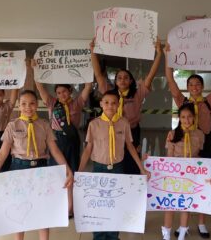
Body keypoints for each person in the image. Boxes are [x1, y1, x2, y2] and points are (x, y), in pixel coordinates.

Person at [164, 41, 211, 238]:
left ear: (203, 86)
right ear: (187, 87)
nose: (194, 87)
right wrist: (167, 57)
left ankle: (201, 222)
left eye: (198, 84)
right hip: (183, 145)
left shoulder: (209, 101)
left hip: (203, 144)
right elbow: (170, 81)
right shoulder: (183, 102)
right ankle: (182, 225)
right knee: (183, 183)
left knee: (203, 183)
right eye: (191, 84)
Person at [0, 89, 74, 240]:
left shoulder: (44, 125)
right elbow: (2, 153)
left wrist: (68, 170)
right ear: (19, 105)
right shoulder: (13, 125)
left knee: (42, 209)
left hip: (41, 170)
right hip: (19, 170)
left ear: (37, 105)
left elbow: (55, 150)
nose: (28, 107)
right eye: (24, 104)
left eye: (32, 103)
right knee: (19, 208)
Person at [78, 89, 151, 240]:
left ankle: (113, 236)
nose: (110, 106)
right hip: (99, 169)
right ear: (101, 104)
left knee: (115, 205)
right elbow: (88, 149)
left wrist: (141, 168)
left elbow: (130, 147)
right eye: (106, 102)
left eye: (113, 103)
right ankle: (98, 236)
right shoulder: (94, 124)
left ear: (119, 105)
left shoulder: (123, 123)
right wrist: (80, 171)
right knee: (98, 206)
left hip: (117, 169)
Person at [90, 37, 162, 174]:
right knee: (115, 158)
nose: (122, 80)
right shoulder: (109, 94)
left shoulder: (137, 93)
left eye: (126, 77)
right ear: (115, 81)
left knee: (132, 161)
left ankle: (132, 186)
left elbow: (150, 76)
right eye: (119, 77)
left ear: (130, 81)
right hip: (111, 129)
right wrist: (93, 52)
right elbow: (98, 74)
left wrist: (159, 54)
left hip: (132, 131)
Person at [32, 60, 92, 216]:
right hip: (55, 141)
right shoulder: (52, 103)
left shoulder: (77, 103)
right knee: (56, 172)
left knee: (71, 171)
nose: (61, 95)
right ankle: (56, 205)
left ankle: (70, 208)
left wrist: (87, 68)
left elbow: (87, 86)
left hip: (72, 140)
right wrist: (35, 69)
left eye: (64, 92)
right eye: (58, 93)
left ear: (70, 91)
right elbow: (40, 87)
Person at [162, 103, 205, 240]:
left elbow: (198, 155)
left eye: (189, 117)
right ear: (179, 118)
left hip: (191, 174)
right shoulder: (173, 134)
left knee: (186, 204)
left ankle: (181, 235)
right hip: (175, 173)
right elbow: (169, 156)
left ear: (194, 118)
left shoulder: (199, 134)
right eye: (183, 117)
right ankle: (167, 234)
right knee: (171, 205)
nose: (186, 120)